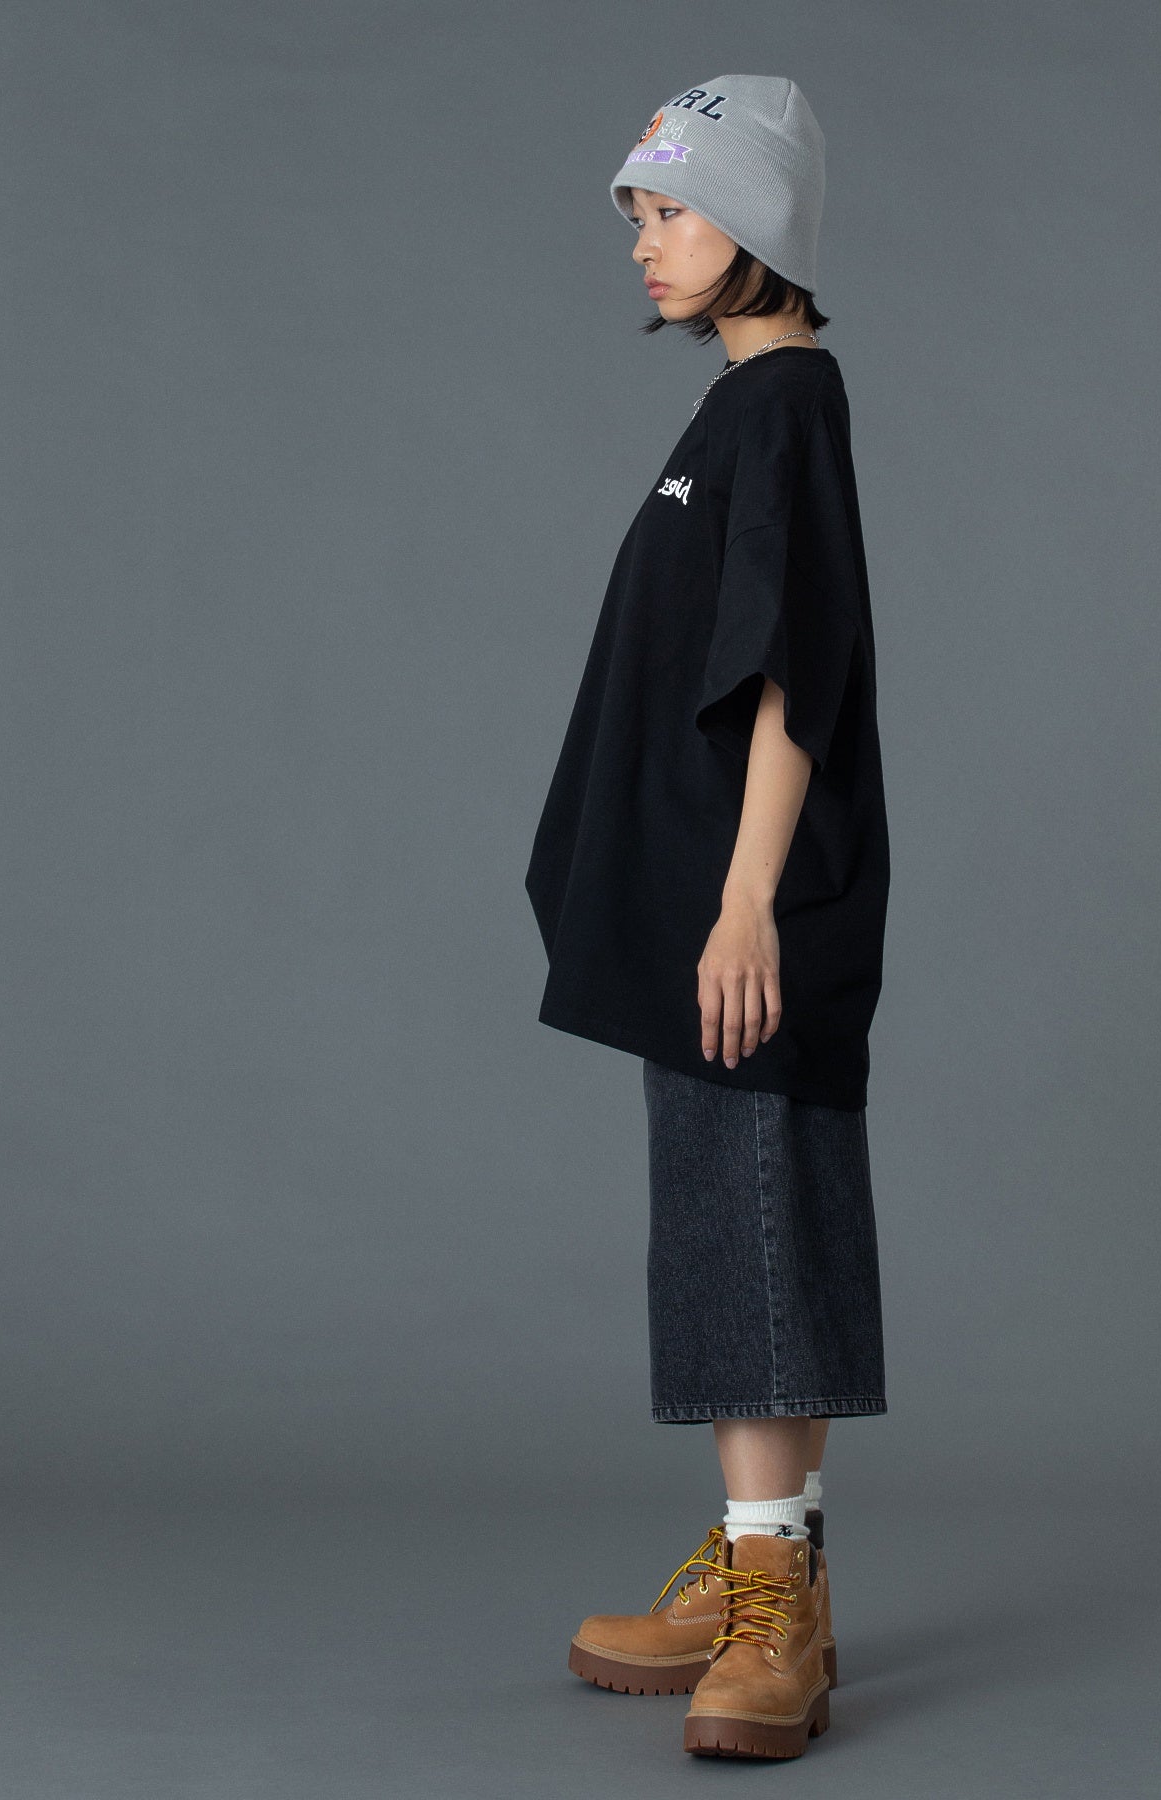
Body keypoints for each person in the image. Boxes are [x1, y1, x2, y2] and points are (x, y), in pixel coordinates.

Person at [524, 74, 891, 1761]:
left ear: (761, 221)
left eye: (672, 211)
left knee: (752, 1231)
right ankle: (762, 1566)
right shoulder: (741, 407)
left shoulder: (784, 404)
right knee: (735, 1222)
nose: (645, 246)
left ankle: (775, 1617)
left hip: (745, 904)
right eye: (640, 218)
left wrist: (747, 904)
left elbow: (792, 676)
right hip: (701, 897)